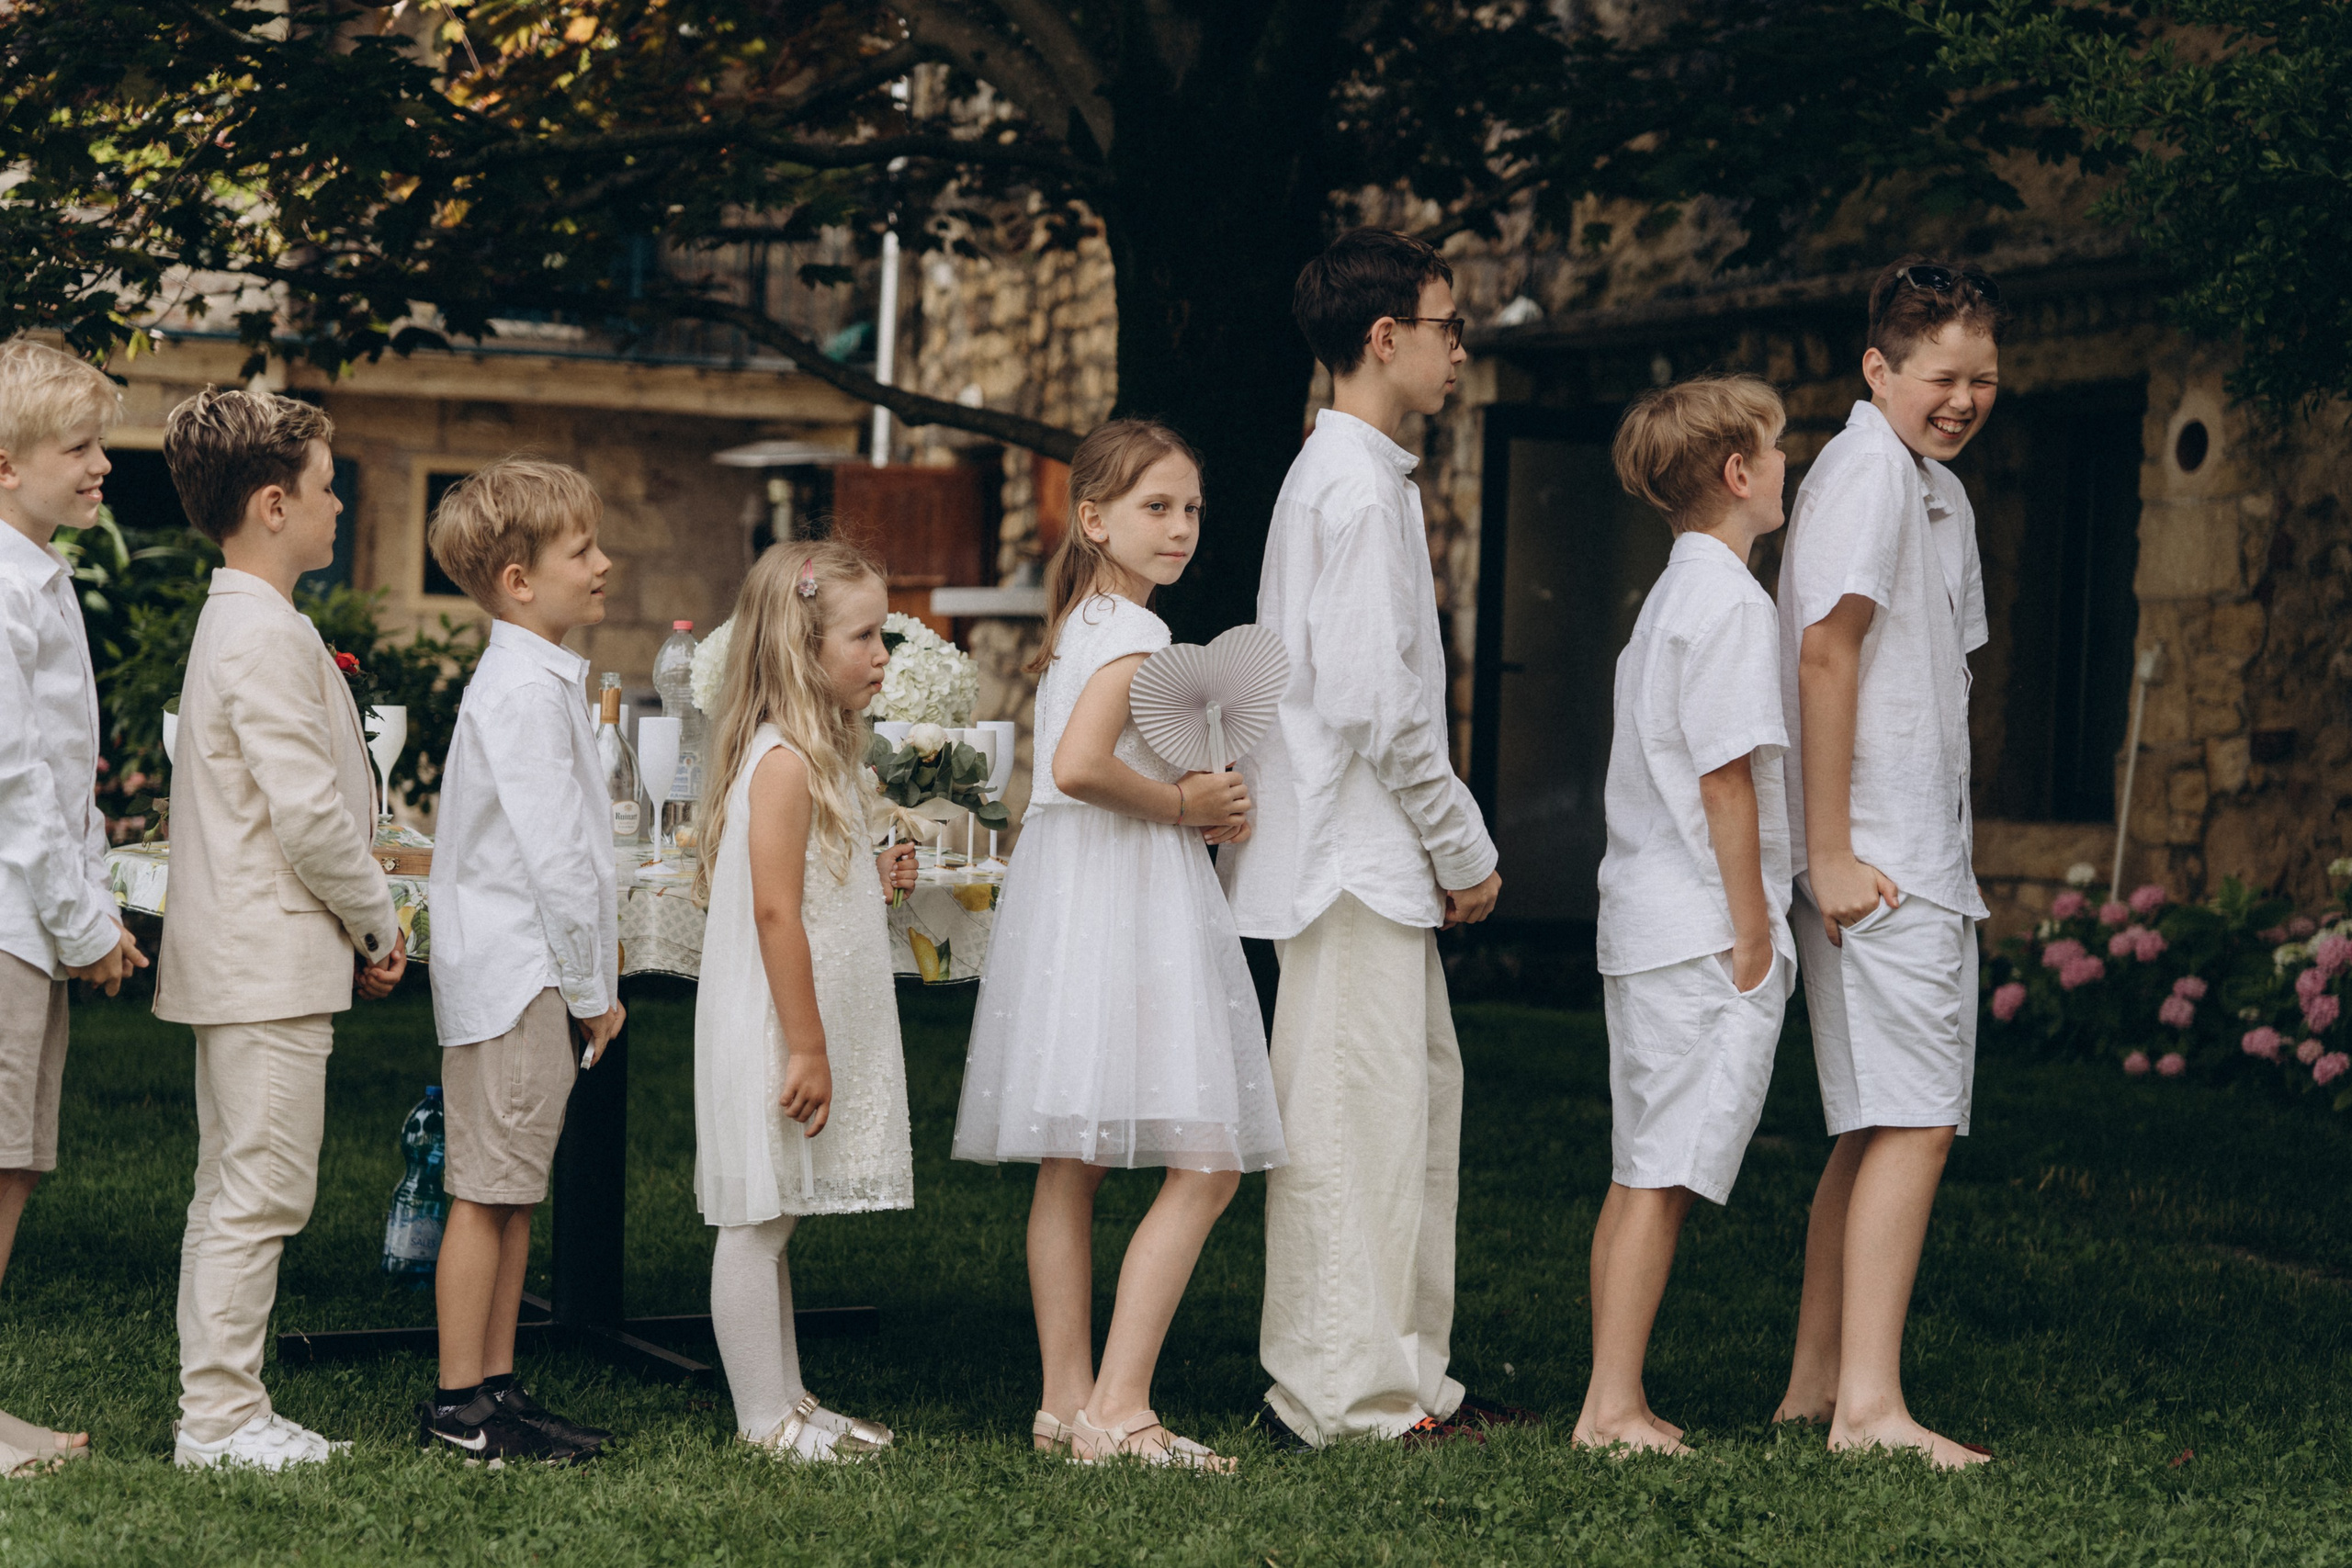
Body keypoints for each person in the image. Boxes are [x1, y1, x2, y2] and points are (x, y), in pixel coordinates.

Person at [1219, 228, 1518, 1450]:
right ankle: (1337, 1396)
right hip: (1348, 856)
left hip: (1368, 857)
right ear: (1385, 337)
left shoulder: (1359, 475)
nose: (1459, 349)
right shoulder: (1349, 483)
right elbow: (1371, 701)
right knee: (1350, 1130)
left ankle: (1407, 1375)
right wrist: (1466, 845)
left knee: (1409, 1117)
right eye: (1449, 326)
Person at [955, 420, 1282, 1472]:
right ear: (1092, 520)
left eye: (1191, 508)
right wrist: (1183, 802)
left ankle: (1064, 1405)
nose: (1181, 527)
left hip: (1082, 893)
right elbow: (1082, 764)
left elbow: (1073, 769)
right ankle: (1121, 1405)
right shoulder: (1132, 638)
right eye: (1155, 507)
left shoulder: (1089, 626)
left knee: (1074, 1159)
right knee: (1211, 1159)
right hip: (1126, 894)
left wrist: (1200, 798)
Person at [1770, 255, 2004, 1468]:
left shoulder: (1930, 486)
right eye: (1939, 375)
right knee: (1910, 1118)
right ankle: (1872, 1408)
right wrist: (1830, 853)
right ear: (1878, 367)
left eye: (1982, 377)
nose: (1962, 397)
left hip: (1920, 852)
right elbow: (1825, 657)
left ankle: (1818, 1386)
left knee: (1873, 1125)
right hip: (1874, 859)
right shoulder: (1867, 474)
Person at [155, 388, 407, 1470]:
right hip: (263, 961)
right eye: (324, 484)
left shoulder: (259, 621)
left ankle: (229, 1408)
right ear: (271, 504)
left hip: (262, 957)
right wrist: (376, 921)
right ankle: (218, 1419)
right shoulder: (258, 633)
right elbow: (305, 814)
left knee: (248, 1183)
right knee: (257, 1189)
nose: (339, 503)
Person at [1575, 374, 1795, 1454]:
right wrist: (1752, 933)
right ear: (1738, 473)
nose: (1787, 464)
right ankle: (1611, 1407)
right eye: (1777, 447)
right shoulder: (1728, 606)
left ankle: (1606, 1398)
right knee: (1661, 1176)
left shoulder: (1673, 595)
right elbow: (1725, 780)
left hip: (1649, 922)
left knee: (1640, 1168)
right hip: (1698, 927)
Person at [416, 458, 626, 1465]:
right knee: (487, 1188)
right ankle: (461, 1405)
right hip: (519, 973)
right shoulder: (523, 695)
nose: (602, 563)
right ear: (516, 579)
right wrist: (594, 993)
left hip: (525, 972)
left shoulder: (535, 680)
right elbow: (557, 860)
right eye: (580, 550)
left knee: (514, 1189)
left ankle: (497, 1385)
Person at [694, 540, 916, 1462]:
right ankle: (761, 1420)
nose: (881, 655)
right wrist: (809, 1047)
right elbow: (776, 912)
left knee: (777, 1211)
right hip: (776, 1026)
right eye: (864, 636)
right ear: (801, 645)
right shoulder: (783, 762)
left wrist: (870, 874)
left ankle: (788, 1398)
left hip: (790, 1020)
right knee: (756, 1218)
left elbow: (811, 888)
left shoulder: (813, 758)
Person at [0, 337, 149, 1477]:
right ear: (5, 465)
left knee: (17, 1159)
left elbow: (63, 773)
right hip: (7, 920)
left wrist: (88, 903)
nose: (103, 465)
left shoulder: (39, 576)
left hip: (31, 920)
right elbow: (12, 786)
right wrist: (85, 922)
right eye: (79, 446)